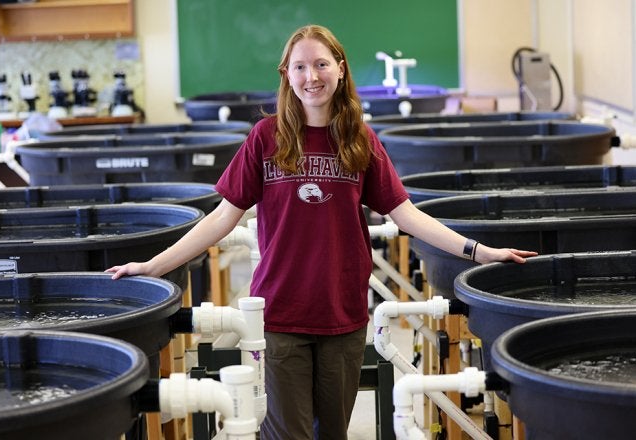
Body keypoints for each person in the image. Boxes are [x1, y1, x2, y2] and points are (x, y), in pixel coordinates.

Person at [106, 24, 537, 440]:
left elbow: (405, 214)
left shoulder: (359, 140)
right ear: (287, 75)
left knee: (332, 433)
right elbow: (222, 218)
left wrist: (480, 251)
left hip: (342, 312)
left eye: (321, 64)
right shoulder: (266, 138)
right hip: (281, 312)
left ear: (341, 68)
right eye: (300, 67)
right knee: (286, 433)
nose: (311, 76)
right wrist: (152, 265)